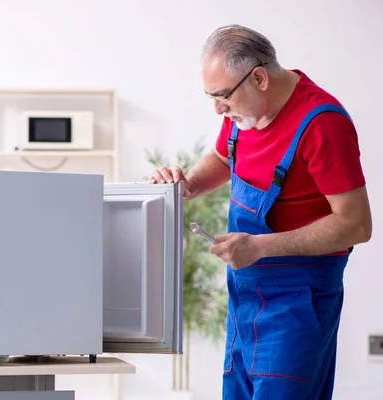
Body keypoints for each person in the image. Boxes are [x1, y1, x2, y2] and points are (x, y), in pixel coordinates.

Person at [149, 25, 372, 400]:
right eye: (210, 96)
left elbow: (357, 224)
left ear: (259, 78)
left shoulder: (322, 124)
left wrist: (261, 246)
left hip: (298, 303)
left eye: (222, 97)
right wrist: (189, 185)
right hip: (244, 300)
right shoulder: (242, 114)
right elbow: (223, 158)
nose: (218, 109)